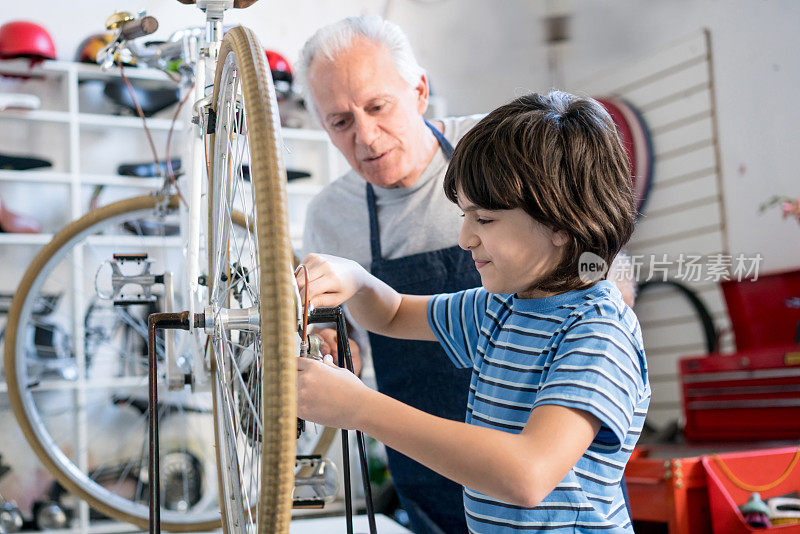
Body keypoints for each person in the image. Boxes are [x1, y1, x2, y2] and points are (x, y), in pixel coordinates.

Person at [296, 91, 651, 533]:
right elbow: (391, 315)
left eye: (484, 220)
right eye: (464, 215)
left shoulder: (599, 331)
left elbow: (527, 474)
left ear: (560, 224)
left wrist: (360, 408)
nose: (465, 237)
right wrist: (357, 279)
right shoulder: (499, 308)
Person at [298, 16, 483, 532]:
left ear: (419, 90)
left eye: (378, 107)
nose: (366, 136)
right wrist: (332, 349)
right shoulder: (329, 217)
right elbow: (349, 333)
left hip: (534, 444)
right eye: (340, 122)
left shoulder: (498, 149)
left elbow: (600, 266)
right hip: (424, 466)